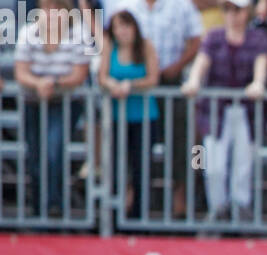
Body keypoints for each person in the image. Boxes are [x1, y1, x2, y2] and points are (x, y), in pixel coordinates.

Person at [183, 0, 267, 224]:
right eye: (228, 9)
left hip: (245, 112)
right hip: (214, 112)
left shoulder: (258, 38)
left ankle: (241, 210)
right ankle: (217, 209)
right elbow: (201, 62)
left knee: (243, 165)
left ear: (247, 12)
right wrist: (193, 81)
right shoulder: (213, 36)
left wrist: (258, 83)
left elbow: (261, 66)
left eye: (237, 9)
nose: (232, 15)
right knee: (210, 164)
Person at [13, 0, 93, 219]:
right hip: (33, 101)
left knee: (54, 151)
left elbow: (79, 74)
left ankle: (54, 205)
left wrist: (54, 83)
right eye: (46, 9)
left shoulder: (78, 34)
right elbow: (20, 72)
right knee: (35, 154)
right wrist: (39, 84)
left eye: (55, 9)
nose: (50, 14)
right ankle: (39, 207)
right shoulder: (29, 32)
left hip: (65, 102)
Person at [128, 0, 204, 218]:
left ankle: (181, 201)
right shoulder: (129, 5)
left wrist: (177, 66)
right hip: (139, 86)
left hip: (174, 82)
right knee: (136, 145)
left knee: (186, 146)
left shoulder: (181, 5)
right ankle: (132, 198)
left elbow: (196, 41)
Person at [100, 8, 160, 222]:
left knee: (141, 169)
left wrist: (130, 85)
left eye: (126, 26)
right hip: (116, 118)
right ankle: (114, 218)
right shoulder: (109, 46)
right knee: (116, 169)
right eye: (118, 27)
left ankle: (139, 217)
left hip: (144, 118)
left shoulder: (146, 46)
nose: (122, 32)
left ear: (134, 27)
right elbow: (102, 76)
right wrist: (112, 84)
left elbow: (153, 78)